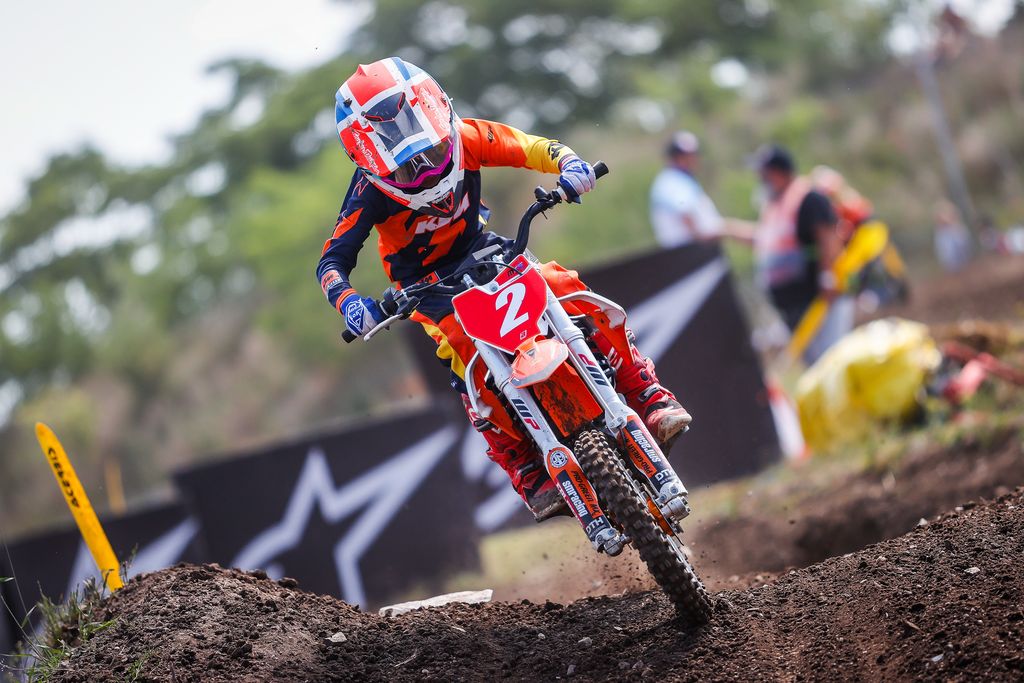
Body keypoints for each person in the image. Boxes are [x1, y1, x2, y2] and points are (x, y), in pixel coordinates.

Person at [317, 58, 692, 521]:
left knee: (565, 286)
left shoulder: (467, 136)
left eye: (433, 151)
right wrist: (353, 306)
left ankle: (648, 393)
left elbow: (533, 147)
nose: (424, 171)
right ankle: (526, 468)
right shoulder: (367, 192)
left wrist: (570, 164)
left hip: (486, 249)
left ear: (436, 112)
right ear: (368, 160)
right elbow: (331, 262)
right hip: (423, 286)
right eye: (404, 168)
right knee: (463, 353)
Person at [733, 145, 853, 364]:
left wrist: (828, 276)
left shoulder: (809, 198)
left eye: (764, 173)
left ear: (779, 172)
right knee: (815, 363)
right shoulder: (773, 206)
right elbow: (765, 240)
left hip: (819, 300)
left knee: (832, 359)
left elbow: (828, 236)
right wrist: (726, 229)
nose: (761, 179)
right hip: (792, 305)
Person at [648, 131, 724, 247]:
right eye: (685, 156)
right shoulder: (670, 181)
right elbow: (685, 213)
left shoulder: (684, 179)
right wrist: (702, 240)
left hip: (699, 249)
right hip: (689, 251)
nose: (693, 159)